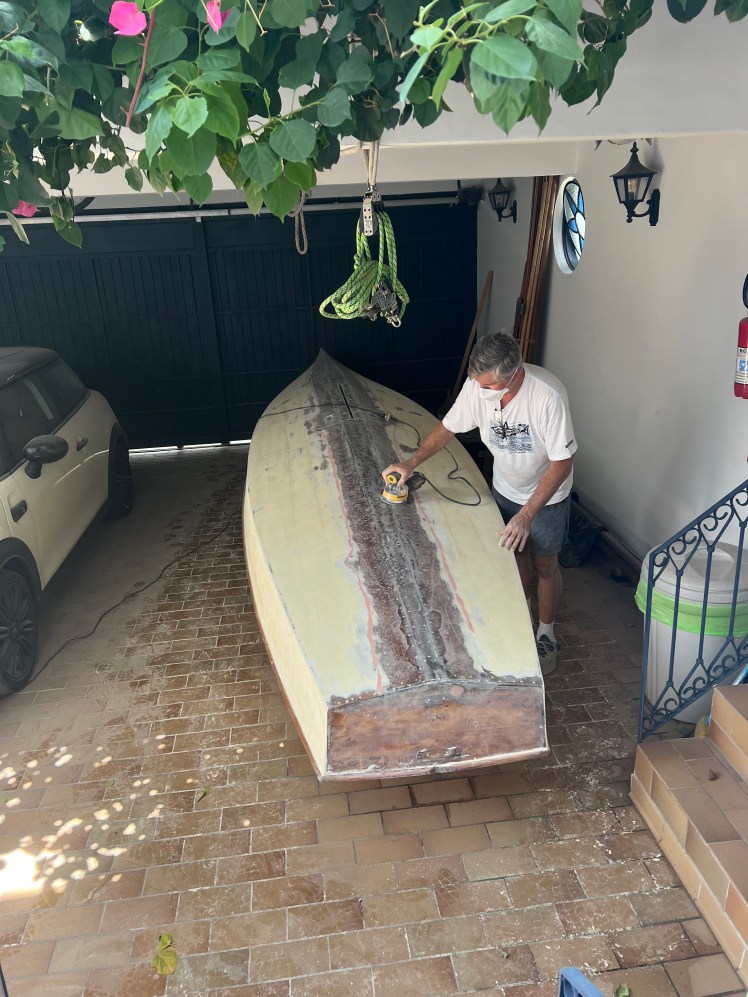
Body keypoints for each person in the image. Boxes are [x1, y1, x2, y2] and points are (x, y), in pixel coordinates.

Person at [382, 332, 577, 676]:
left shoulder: (547, 396)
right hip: (506, 487)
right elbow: (448, 428)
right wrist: (410, 463)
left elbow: (563, 462)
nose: (481, 391)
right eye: (479, 384)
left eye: (489, 386)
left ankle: (546, 633)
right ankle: (522, 614)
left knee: (546, 565)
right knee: (516, 554)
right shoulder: (477, 387)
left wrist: (527, 514)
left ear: (513, 374)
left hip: (546, 497)